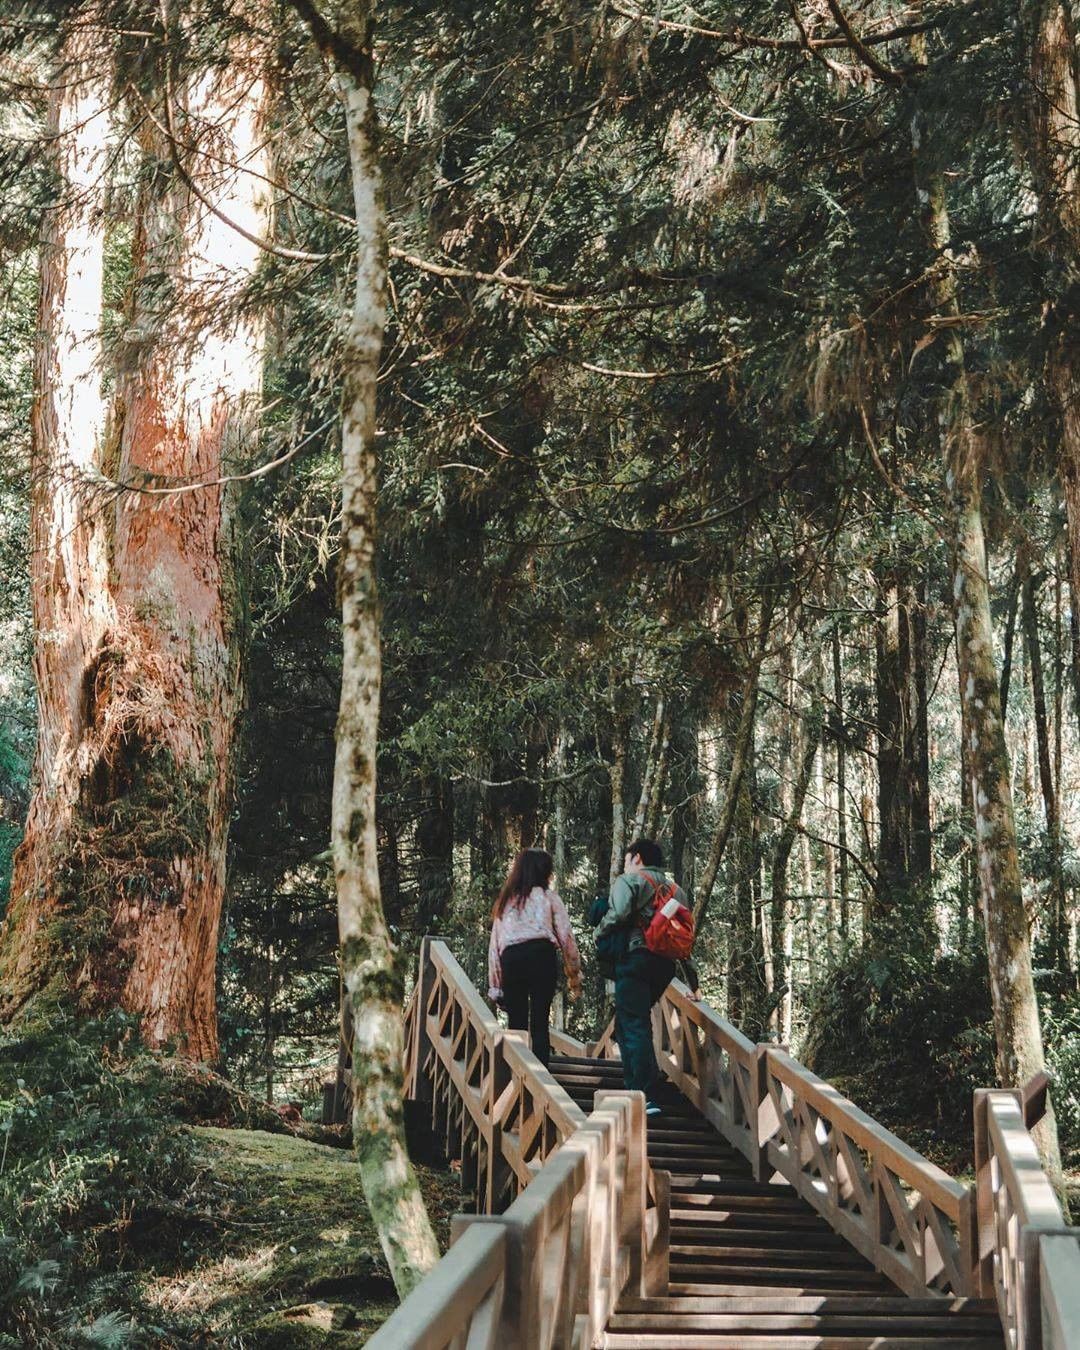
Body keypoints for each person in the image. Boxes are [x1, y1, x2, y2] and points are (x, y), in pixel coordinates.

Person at [592, 837, 694, 1115]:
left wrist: (598, 931)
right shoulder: (676, 890)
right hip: (664, 965)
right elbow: (684, 931)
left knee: (633, 1024)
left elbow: (619, 913)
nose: (626, 866)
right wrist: (692, 982)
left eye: (626, 860)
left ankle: (644, 1095)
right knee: (631, 1023)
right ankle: (637, 1085)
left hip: (636, 957)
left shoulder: (632, 881)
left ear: (636, 858)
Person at [487, 847, 582, 1067]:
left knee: (516, 1023)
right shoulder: (549, 898)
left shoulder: (506, 902)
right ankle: (541, 1076)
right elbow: (566, 936)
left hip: (512, 959)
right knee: (540, 1019)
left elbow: (495, 947)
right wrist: (574, 971)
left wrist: (496, 987)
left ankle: (517, 1073)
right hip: (541, 956)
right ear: (544, 872)